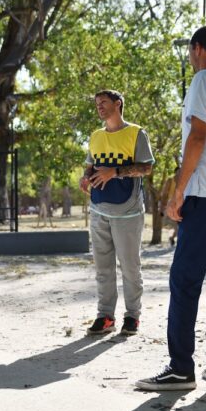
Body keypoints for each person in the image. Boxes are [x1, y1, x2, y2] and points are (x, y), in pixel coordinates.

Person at [136, 26, 206, 390]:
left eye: (190, 50)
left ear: (198, 48)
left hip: (205, 196)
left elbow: (198, 137)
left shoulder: (204, 80)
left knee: (185, 279)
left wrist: (179, 191)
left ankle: (181, 368)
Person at [79, 90, 154, 336]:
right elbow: (90, 166)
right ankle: (105, 316)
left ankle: (132, 316)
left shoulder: (136, 133)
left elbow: (146, 168)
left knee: (130, 268)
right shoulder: (96, 136)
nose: (99, 107)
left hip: (128, 212)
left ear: (118, 104)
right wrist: (85, 178)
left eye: (104, 103)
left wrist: (116, 172)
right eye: (97, 103)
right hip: (99, 210)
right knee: (103, 268)